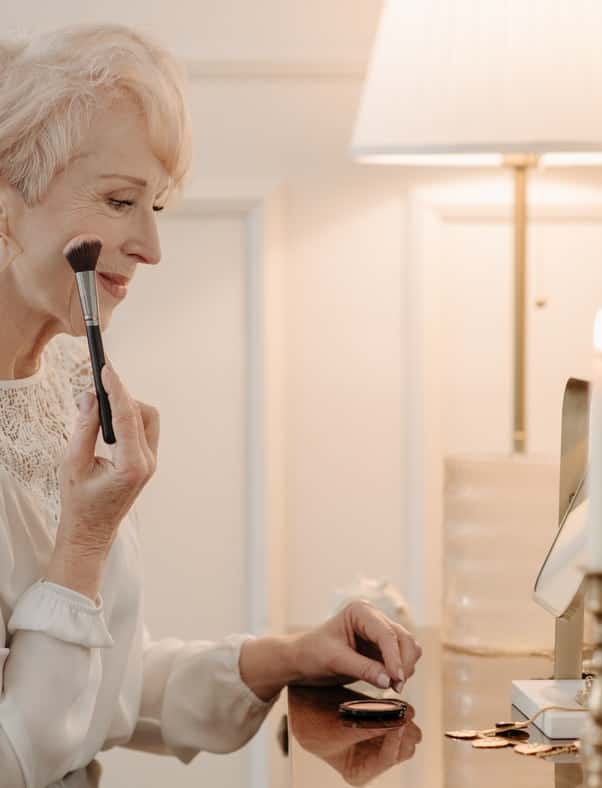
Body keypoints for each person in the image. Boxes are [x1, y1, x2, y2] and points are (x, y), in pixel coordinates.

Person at [0, 24, 421, 787]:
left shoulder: (65, 379)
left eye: (154, 205)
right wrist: (84, 545)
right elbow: (19, 753)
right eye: (121, 201)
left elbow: (105, 689)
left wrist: (291, 655)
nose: (152, 246)